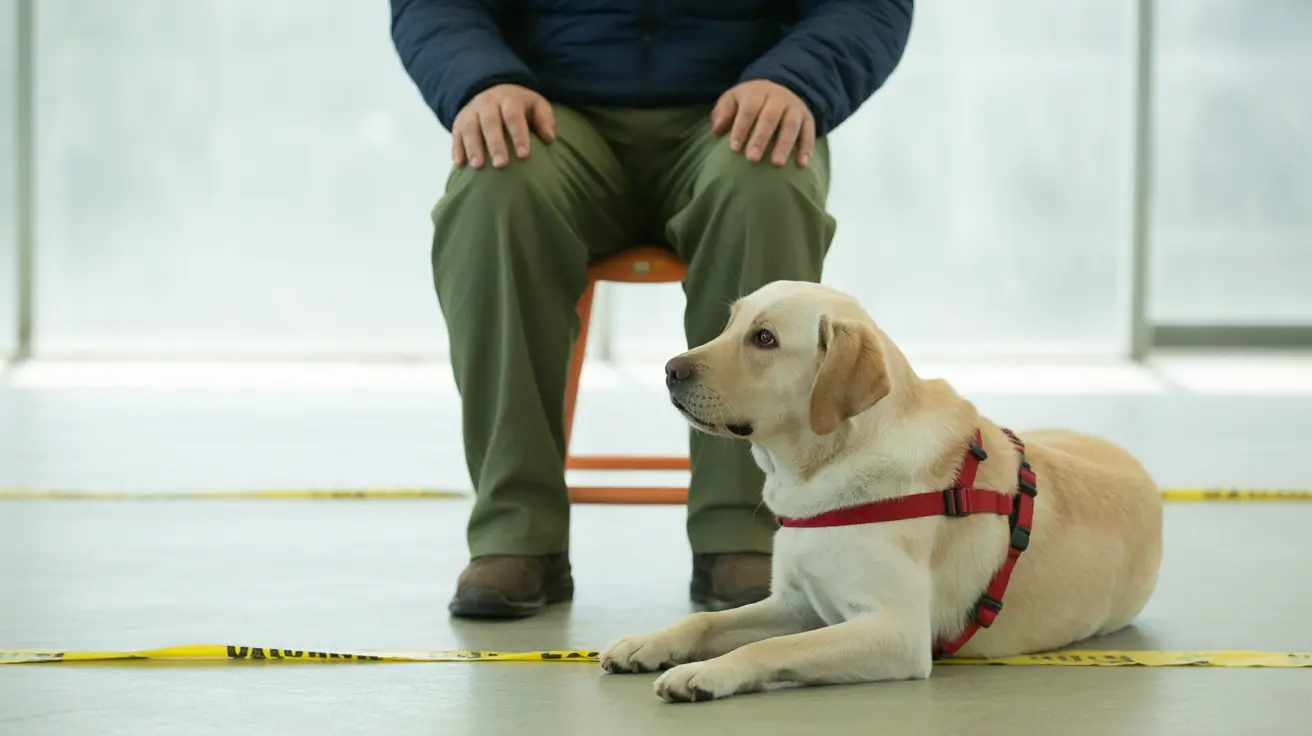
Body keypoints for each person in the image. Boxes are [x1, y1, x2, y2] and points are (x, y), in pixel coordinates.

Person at [390, 0, 913, 620]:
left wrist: (797, 78)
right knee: (494, 195)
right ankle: (515, 531)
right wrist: (480, 77)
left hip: (741, 107)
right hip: (549, 113)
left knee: (765, 189)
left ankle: (741, 531)